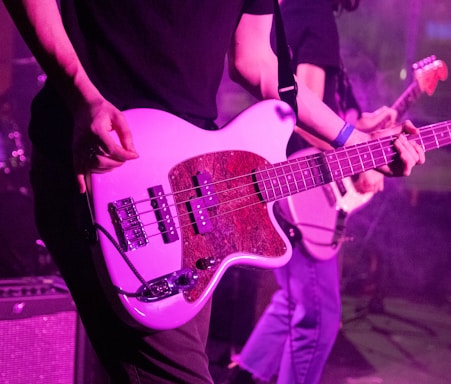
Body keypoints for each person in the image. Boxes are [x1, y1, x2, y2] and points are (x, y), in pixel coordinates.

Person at [2, 1, 424, 383]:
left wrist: (353, 142)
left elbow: (258, 61)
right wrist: (82, 96)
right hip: (102, 170)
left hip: (193, 192)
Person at [230, 1, 403, 383]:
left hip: (285, 183)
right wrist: (361, 158)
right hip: (307, 189)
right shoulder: (314, 13)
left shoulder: (287, 11)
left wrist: (364, 125)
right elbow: (301, 116)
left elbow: (320, 108)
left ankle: (245, 374)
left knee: (294, 300)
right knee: (319, 321)